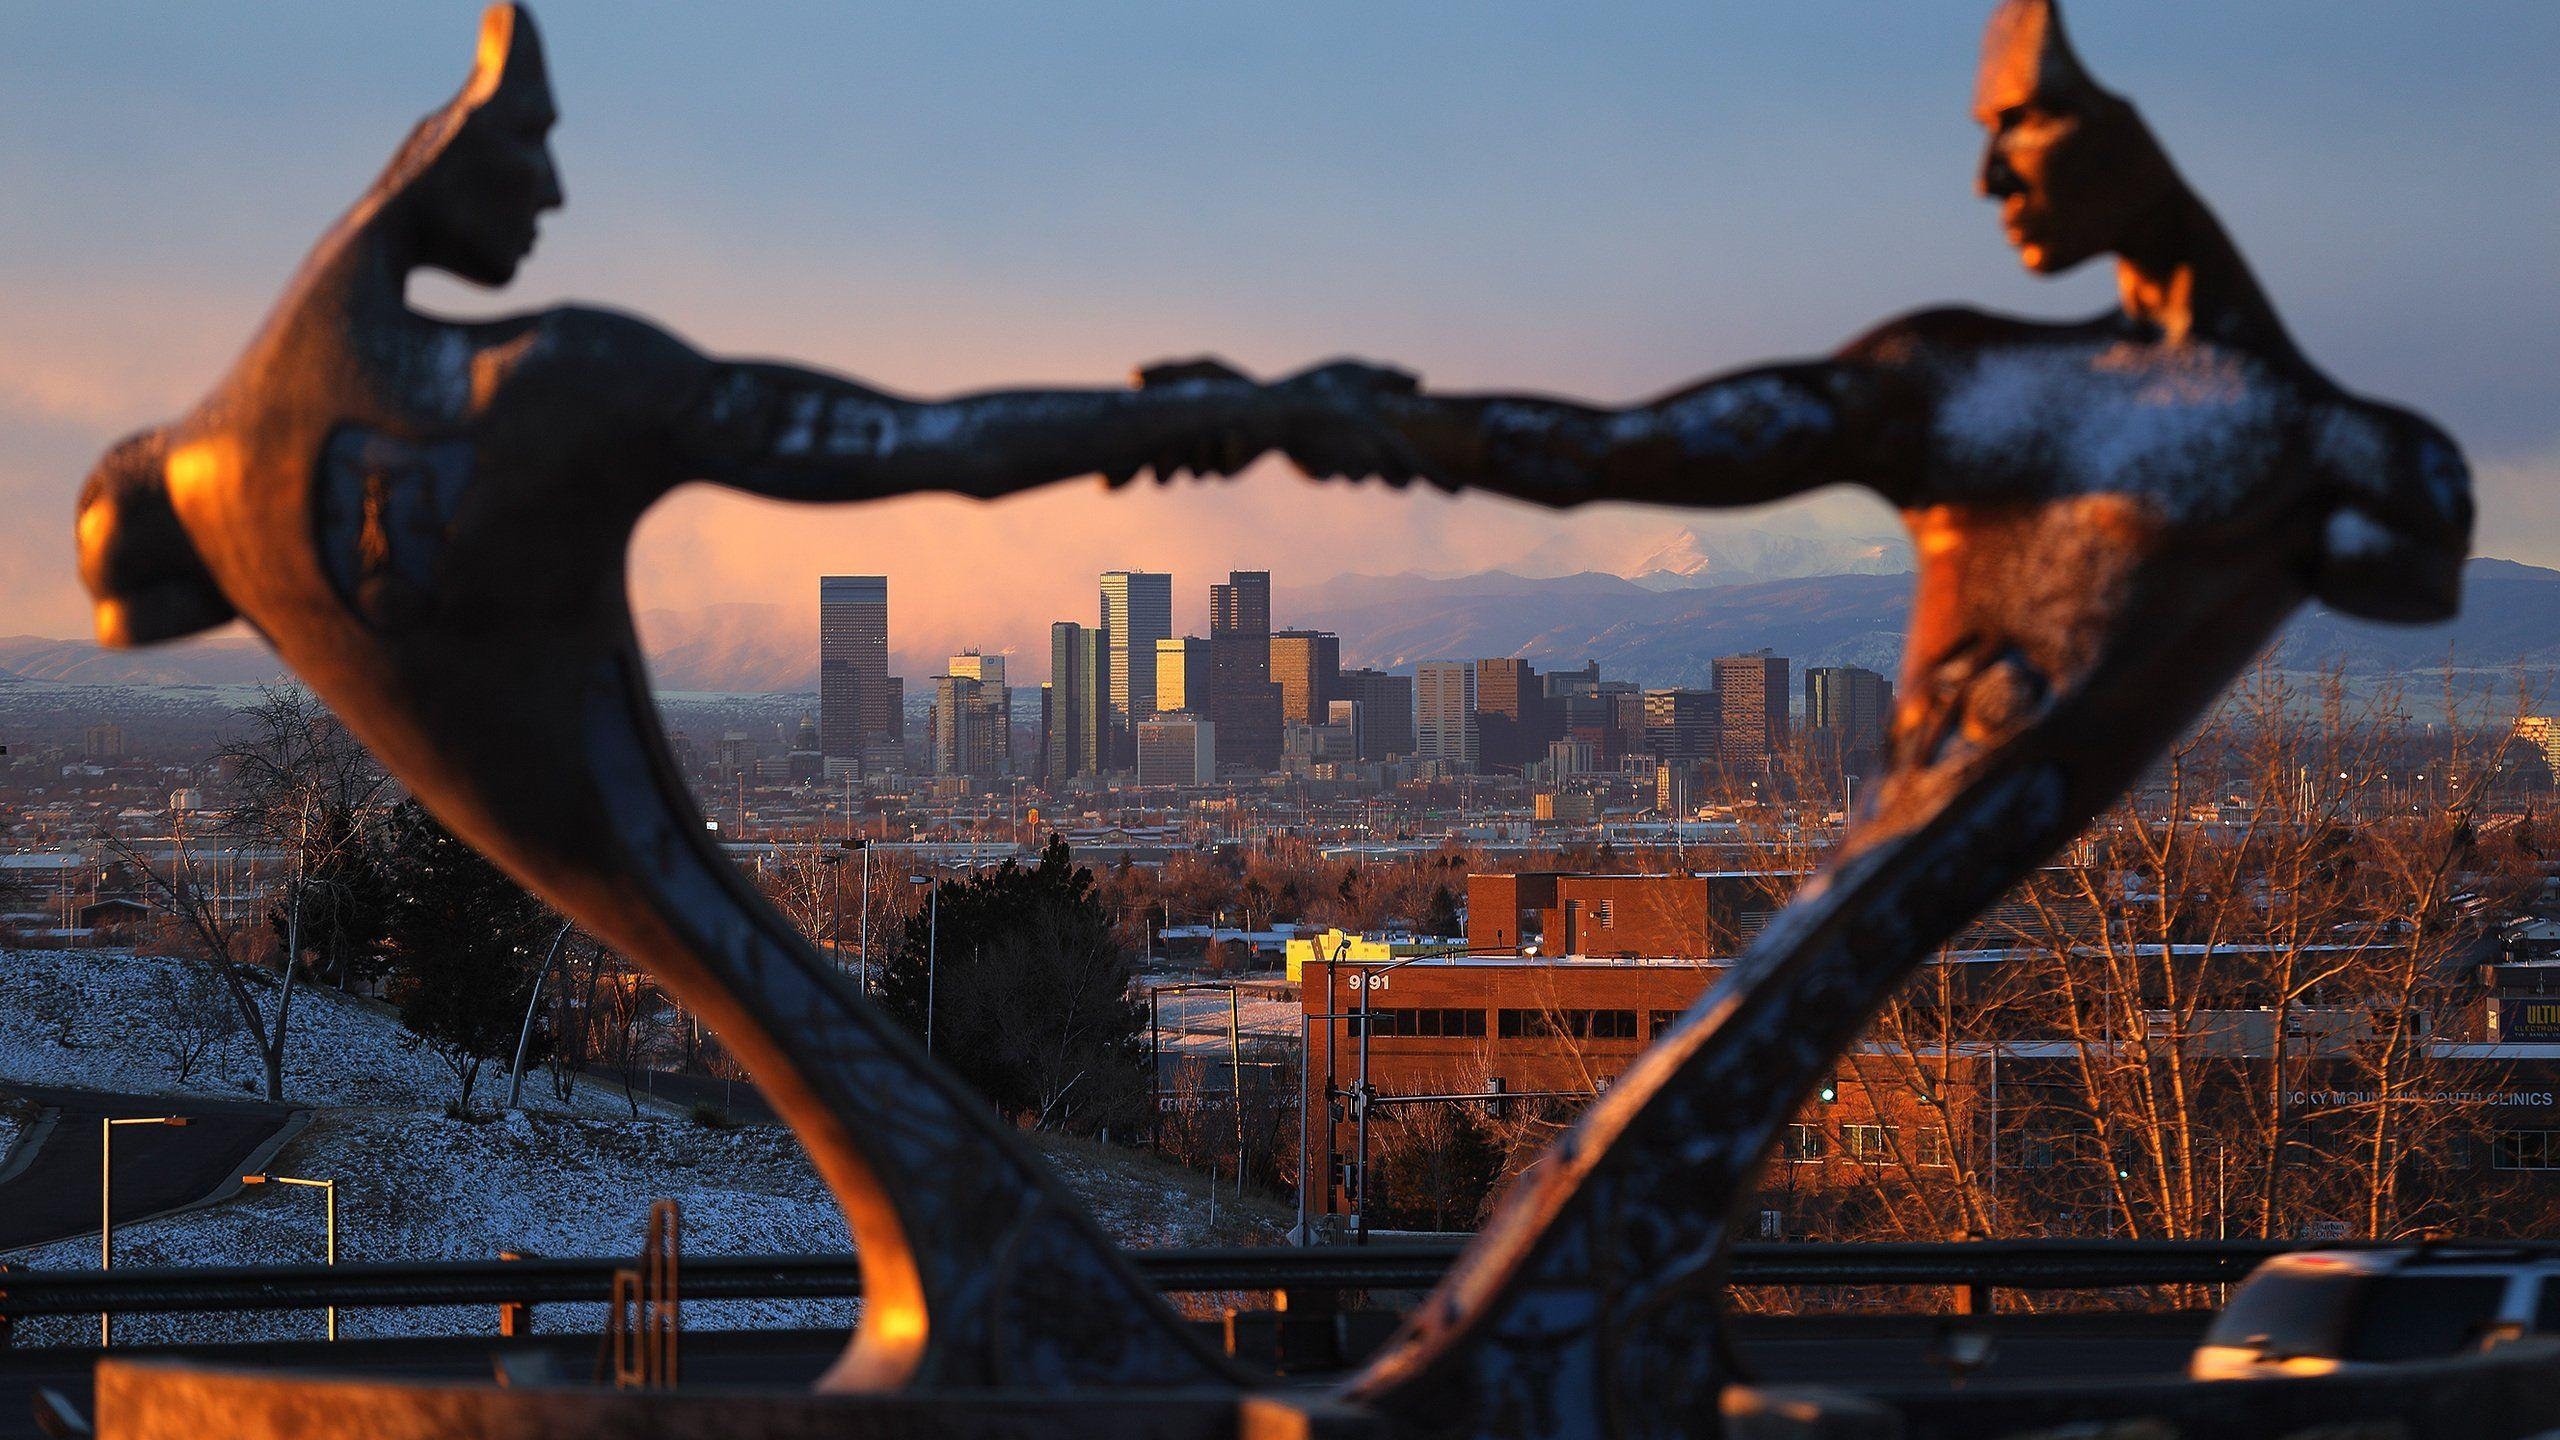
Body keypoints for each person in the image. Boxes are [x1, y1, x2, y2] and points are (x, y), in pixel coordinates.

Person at [1316, 4, 2479, 1430]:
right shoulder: (1977, 383)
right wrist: (1343, 420)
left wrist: (1334, 421)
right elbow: (1621, 451)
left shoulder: (2311, 443)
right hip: (1869, 901)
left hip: (1873, 915)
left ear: (2120, 133)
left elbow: (2412, 561)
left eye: (2017, 132)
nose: (1989, 187)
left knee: (1641, 1169)